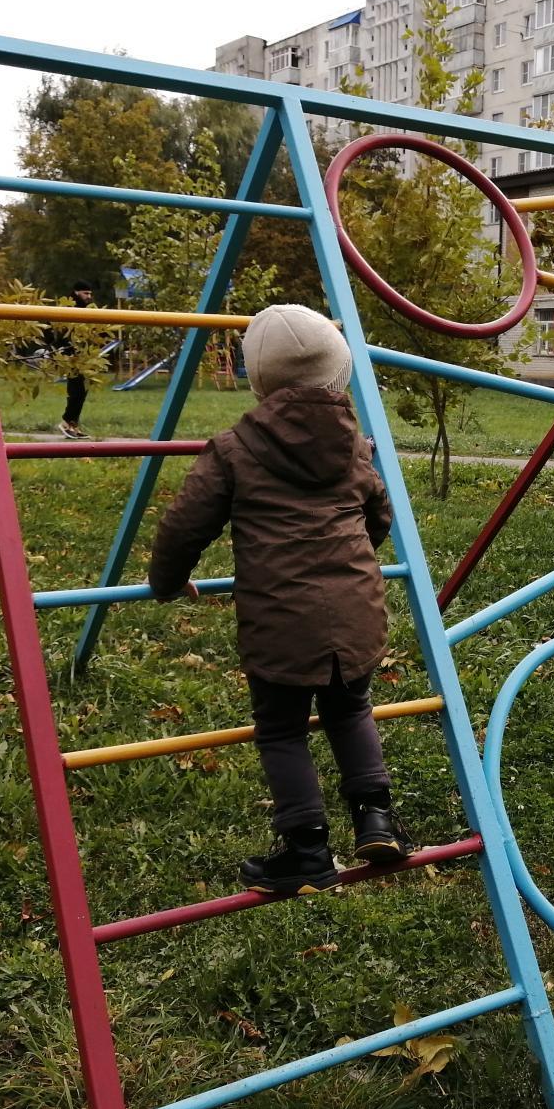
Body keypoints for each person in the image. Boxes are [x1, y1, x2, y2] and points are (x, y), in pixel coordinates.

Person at [147, 304, 411, 895]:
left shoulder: (235, 448)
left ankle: (307, 850)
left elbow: (185, 526)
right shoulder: (357, 447)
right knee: (349, 709)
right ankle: (377, 819)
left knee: (281, 730)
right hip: (356, 615)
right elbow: (378, 517)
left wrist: (166, 582)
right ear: (337, 372)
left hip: (280, 622)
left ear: (260, 379)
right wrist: (354, 556)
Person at [46, 282, 95, 440]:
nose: (89, 297)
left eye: (90, 294)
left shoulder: (86, 309)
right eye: (85, 293)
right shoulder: (69, 307)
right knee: (77, 390)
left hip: (80, 356)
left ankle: (72, 424)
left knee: (81, 390)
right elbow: (59, 332)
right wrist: (57, 350)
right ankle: (67, 423)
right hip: (69, 355)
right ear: (76, 292)